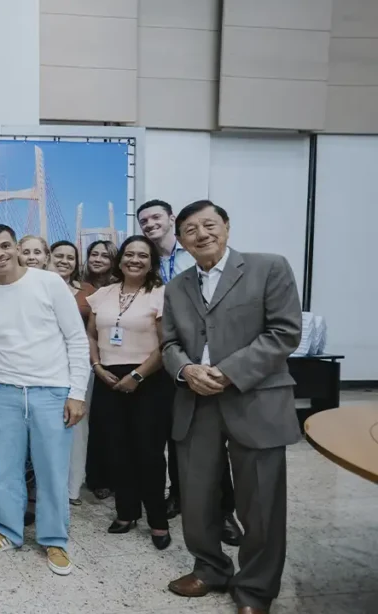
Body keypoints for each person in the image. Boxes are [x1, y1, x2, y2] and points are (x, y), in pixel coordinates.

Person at [162, 201, 301, 614]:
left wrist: (227, 371)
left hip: (254, 397)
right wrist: (186, 369)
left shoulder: (268, 267)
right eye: (190, 229)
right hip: (196, 399)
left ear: (226, 226)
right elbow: (169, 343)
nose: (201, 234)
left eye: (209, 224)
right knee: (197, 496)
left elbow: (284, 332)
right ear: (181, 240)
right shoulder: (176, 286)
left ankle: (255, 589)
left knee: (260, 502)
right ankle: (210, 568)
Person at [0, 225, 88, 577]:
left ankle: (54, 539)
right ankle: (5, 531)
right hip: (2, 392)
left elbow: (76, 339)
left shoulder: (49, 283)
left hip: (51, 391)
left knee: (52, 470)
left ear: (17, 247)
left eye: (5, 246)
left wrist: (77, 393)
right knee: (6, 469)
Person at [138, 202, 240, 543]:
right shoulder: (145, 258)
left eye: (156, 217)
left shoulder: (198, 252)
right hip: (163, 359)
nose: (150, 224)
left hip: (204, 361)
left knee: (210, 441)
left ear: (172, 221)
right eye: (143, 221)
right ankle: (179, 495)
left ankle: (224, 511)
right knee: (176, 436)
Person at [86, 236, 172, 550]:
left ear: (152, 263)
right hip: (107, 379)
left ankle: (158, 520)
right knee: (116, 450)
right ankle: (126, 512)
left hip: (149, 380)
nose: (135, 260)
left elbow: (166, 344)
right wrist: (97, 366)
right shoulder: (103, 294)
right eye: (129, 254)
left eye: (142, 256)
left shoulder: (160, 294)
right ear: (120, 260)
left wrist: (137, 376)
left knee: (148, 453)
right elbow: (91, 334)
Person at [49, 240, 96, 506]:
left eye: (70, 257)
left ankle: (72, 487)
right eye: (59, 256)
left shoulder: (88, 291)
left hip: (78, 366)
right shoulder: (36, 285)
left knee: (77, 426)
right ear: (49, 257)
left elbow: (93, 332)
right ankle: (48, 485)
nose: (64, 261)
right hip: (45, 366)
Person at [82, 239, 118, 500]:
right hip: (84, 359)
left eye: (104, 256)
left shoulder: (121, 286)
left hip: (112, 359)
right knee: (90, 421)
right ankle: (93, 475)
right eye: (93, 254)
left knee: (109, 422)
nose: (97, 259)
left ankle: (111, 474)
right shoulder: (79, 285)